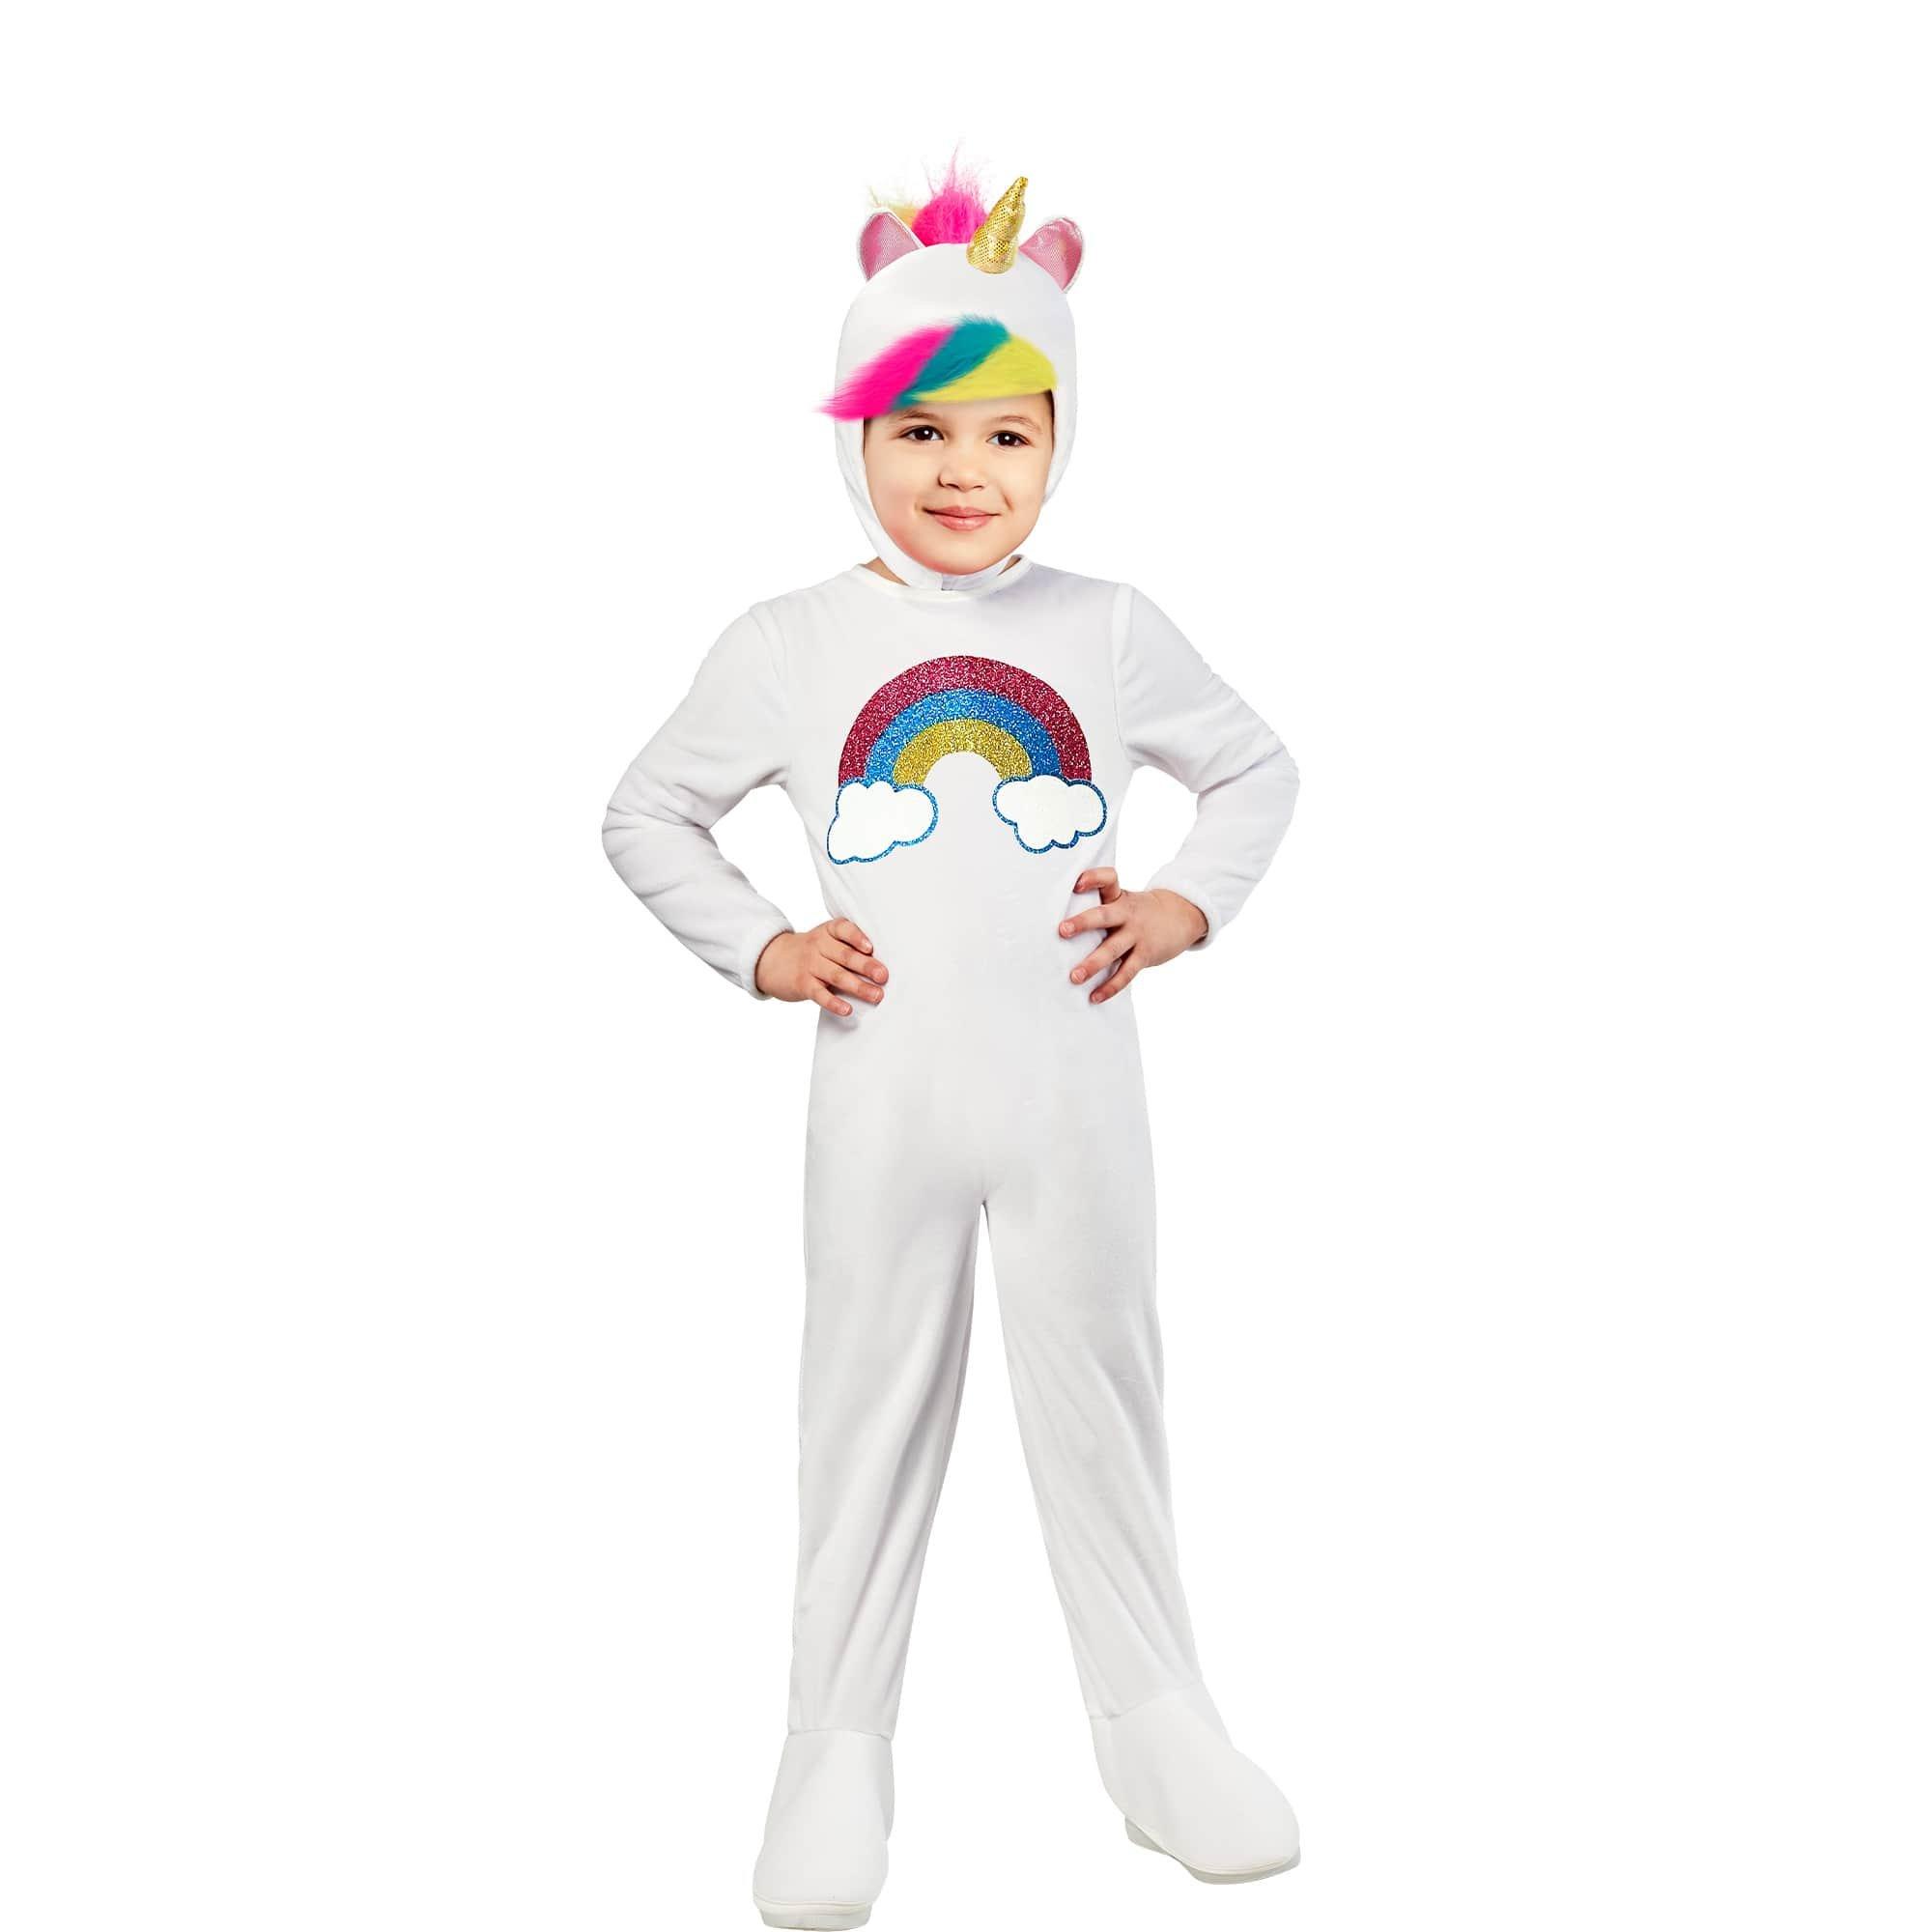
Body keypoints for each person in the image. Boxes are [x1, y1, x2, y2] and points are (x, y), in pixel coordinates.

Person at [602, 156, 1303, 1931]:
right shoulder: (791, 642)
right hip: (884, 1105)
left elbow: (1255, 768)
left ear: (1059, 448)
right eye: (918, 431)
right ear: (857, 442)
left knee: (1107, 1403)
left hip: (1076, 1101)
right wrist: (766, 947)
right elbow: (646, 814)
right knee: (860, 1415)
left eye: (1006, 434)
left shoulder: (1108, 628)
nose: (961, 471)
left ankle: (1156, 1723)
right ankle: (832, 1746)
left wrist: (1185, 905)